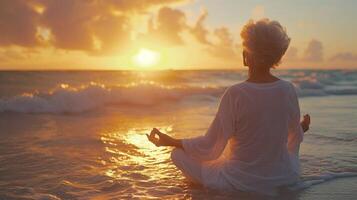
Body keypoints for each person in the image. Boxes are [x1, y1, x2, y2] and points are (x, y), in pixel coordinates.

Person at [147, 18, 311, 196]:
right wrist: (302, 127)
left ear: (247, 55)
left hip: (240, 181)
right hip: (282, 177)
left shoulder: (236, 94)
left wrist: (170, 141)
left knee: (177, 155)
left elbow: (209, 146)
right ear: (275, 57)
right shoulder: (287, 90)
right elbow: (293, 135)